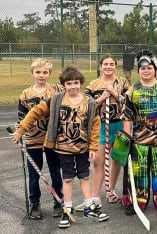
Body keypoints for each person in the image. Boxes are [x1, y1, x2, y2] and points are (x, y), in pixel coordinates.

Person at [12, 65, 109, 228]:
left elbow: (95, 126)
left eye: (76, 83)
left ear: (81, 83)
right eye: (69, 83)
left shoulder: (90, 102)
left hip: (83, 149)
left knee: (85, 177)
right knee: (68, 178)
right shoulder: (56, 100)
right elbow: (35, 112)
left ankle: (88, 207)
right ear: (64, 85)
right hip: (63, 149)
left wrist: (93, 147)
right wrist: (21, 130)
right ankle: (67, 209)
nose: (73, 86)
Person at [122, 50, 157, 215]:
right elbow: (127, 117)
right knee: (138, 172)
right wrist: (126, 138)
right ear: (138, 70)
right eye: (142, 68)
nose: (146, 71)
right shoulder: (132, 90)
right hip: (139, 140)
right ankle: (136, 203)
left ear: (155, 69)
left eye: (149, 68)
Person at [16, 58, 64, 219]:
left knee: (55, 171)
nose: (41, 75)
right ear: (33, 73)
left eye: (45, 72)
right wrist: (20, 130)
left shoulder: (58, 90)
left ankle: (58, 201)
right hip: (33, 140)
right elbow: (22, 118)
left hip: (52, 138)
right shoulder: (25, 94)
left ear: (49, 74)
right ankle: (34, 203)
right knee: (34, 174)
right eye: (38, 72)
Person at [83, 55, 130, 210]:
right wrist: (102, 97)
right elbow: (86, 107)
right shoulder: (93, 85)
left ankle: (110, 190)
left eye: (111, 64)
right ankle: (95, 196)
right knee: (98, 161)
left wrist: (115, 94)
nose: (108, 66)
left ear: (115, 66)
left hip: (119, 125)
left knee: (117, 159)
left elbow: (130, 104)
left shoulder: (123, 82)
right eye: (105, 64)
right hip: (100, 127)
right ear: (100, 66)